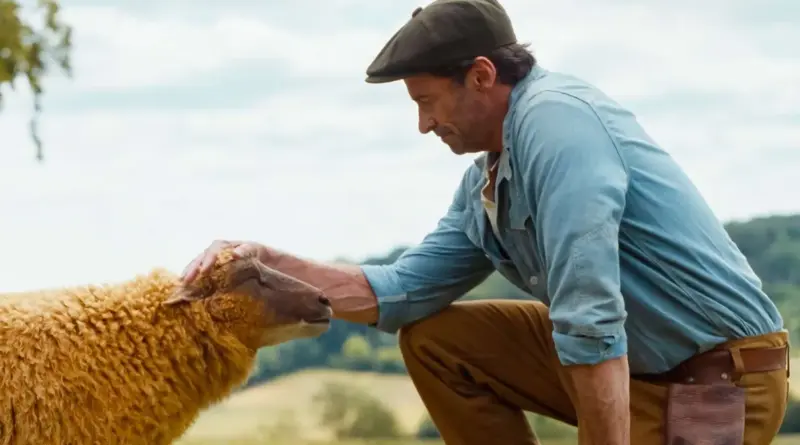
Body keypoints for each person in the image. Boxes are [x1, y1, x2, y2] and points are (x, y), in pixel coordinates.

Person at [180, 1, 790, 444]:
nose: (422, 125)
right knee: (436, 338)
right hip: (636, 372)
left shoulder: (558, 124)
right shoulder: (486, 183)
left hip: (714, 384)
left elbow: (590, 313)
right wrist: (262, 263)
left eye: (425, 102)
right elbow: (400, 291)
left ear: (480, 75)